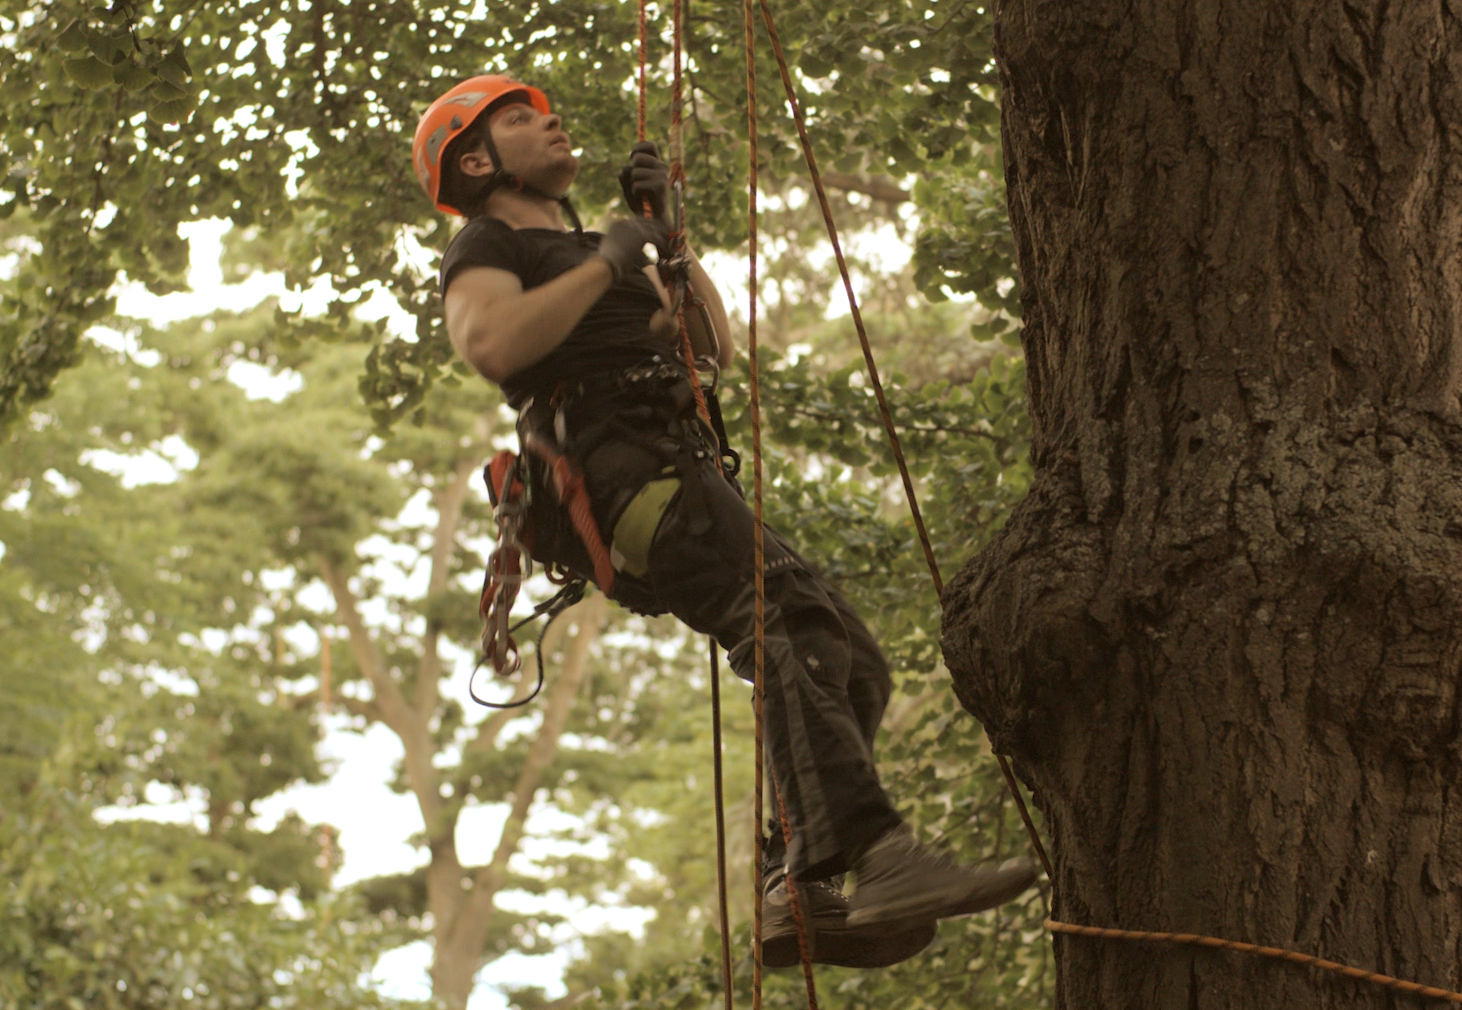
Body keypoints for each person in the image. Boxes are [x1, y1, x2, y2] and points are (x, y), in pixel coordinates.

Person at [412, 75, 1036, 969]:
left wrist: (664, 241)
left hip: (677, 462)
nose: (549, 119)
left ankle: (798, 886)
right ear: (476, 160)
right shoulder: (490, 241)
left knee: (841, 651)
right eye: (518, 119)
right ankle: (879, 856)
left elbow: (706, 348)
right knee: (780, 623)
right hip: (626, 473)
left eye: (543, 109)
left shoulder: (597, 249)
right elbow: (492, 345)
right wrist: (607, 260)